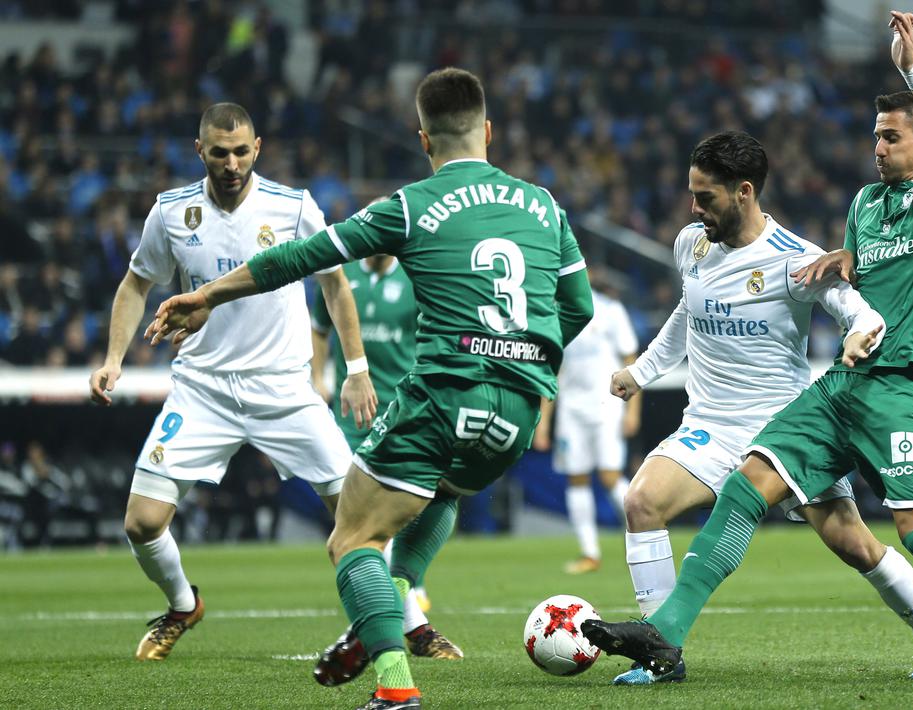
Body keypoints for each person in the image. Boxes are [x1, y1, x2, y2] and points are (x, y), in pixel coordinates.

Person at [580, 12, 913, 680]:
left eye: (891, 137)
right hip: (839, 389)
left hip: (901, 390)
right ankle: (664, 637)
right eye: (874, 136)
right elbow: (858, 276)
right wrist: (840, 258)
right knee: (746, 488)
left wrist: (912, 73)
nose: (878, 147)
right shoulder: (864, 202)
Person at [146, 68, 594, 710]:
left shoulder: (411, 205)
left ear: (423, 140)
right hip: (518, 411)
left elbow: (303, 257)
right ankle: (388, 604)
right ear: (488, 131)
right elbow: (577, 306)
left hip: (445, 396)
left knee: (351, 539)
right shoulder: (545, 205)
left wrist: (209, 293)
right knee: (443, 490)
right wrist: (528, 362)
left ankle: (394, 685)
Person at [604, 130, 913, 685]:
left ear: (744, 192)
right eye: (692, 194)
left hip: (782, 434)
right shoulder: (690, 245)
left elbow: (859, 311)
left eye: (706, 198)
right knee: (641, 503)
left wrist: (859, 333)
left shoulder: (795, 259)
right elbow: (688, 311)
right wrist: (642, 372)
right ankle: (661, 649)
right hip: (710, 425)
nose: (694, 208)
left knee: (855, 544)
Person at [89, 102, 377, 662]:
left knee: (361, 517)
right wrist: (113, 358)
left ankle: (400, 625)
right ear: (200, 151)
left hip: (285, 389)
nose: (231, 162)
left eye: (241, 151)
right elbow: (134, 284)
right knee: (141, 523)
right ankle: (181, 605)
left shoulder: (293, 207)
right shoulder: (171, 212)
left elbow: (336, 285)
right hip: (203, 388)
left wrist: (355, 368)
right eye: (219, 152)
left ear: (257, 148)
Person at [308, 231, 465, 676]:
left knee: (394, 516)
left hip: (404, 414)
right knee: (366, 524)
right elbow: (319, 331)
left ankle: (396, 621)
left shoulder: (415, 279)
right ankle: (414, 627)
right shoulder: (341, 278)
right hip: (349, 418)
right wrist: (318, 379)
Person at [532, 266, 638, 575]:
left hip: (607, 405)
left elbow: (630, 359)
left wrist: (633, 410)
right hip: (571, 410)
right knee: (576, 477)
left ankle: (645, 530)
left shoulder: (610, 310)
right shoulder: (556, 316)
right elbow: (552, 372)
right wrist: (543, 423)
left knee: (608, 477)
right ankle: (590, 553)